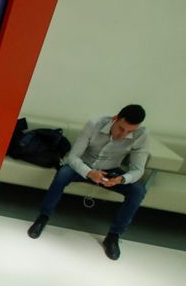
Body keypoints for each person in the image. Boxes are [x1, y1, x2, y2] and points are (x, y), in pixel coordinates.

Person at [27, 104, 149, 260]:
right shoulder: (95, 124)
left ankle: (113, 236)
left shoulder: (142, 134)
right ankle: (43, 218)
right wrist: (89, 173)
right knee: (63, 174)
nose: (123, 135)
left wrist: (122, 179)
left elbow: (138, 169)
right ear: (115, 118)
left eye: (129, 132)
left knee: (138, 190)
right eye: (121, 128)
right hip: (83, 166)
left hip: (111, 170)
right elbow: (73, 157)